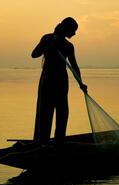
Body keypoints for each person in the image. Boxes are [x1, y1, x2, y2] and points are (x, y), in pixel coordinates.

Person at [31, 17, 87, 149]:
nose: (74, 34)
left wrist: (81, 83)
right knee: (45, 111)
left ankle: (59, 142)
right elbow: (34, 54)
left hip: (62, 81)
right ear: (67, 29)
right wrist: (48, 46)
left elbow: (74, 67)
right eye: (73, 30)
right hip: (48, 80)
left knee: (62, 112)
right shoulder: (47, 38)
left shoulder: (69, 46)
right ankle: (42, 143)